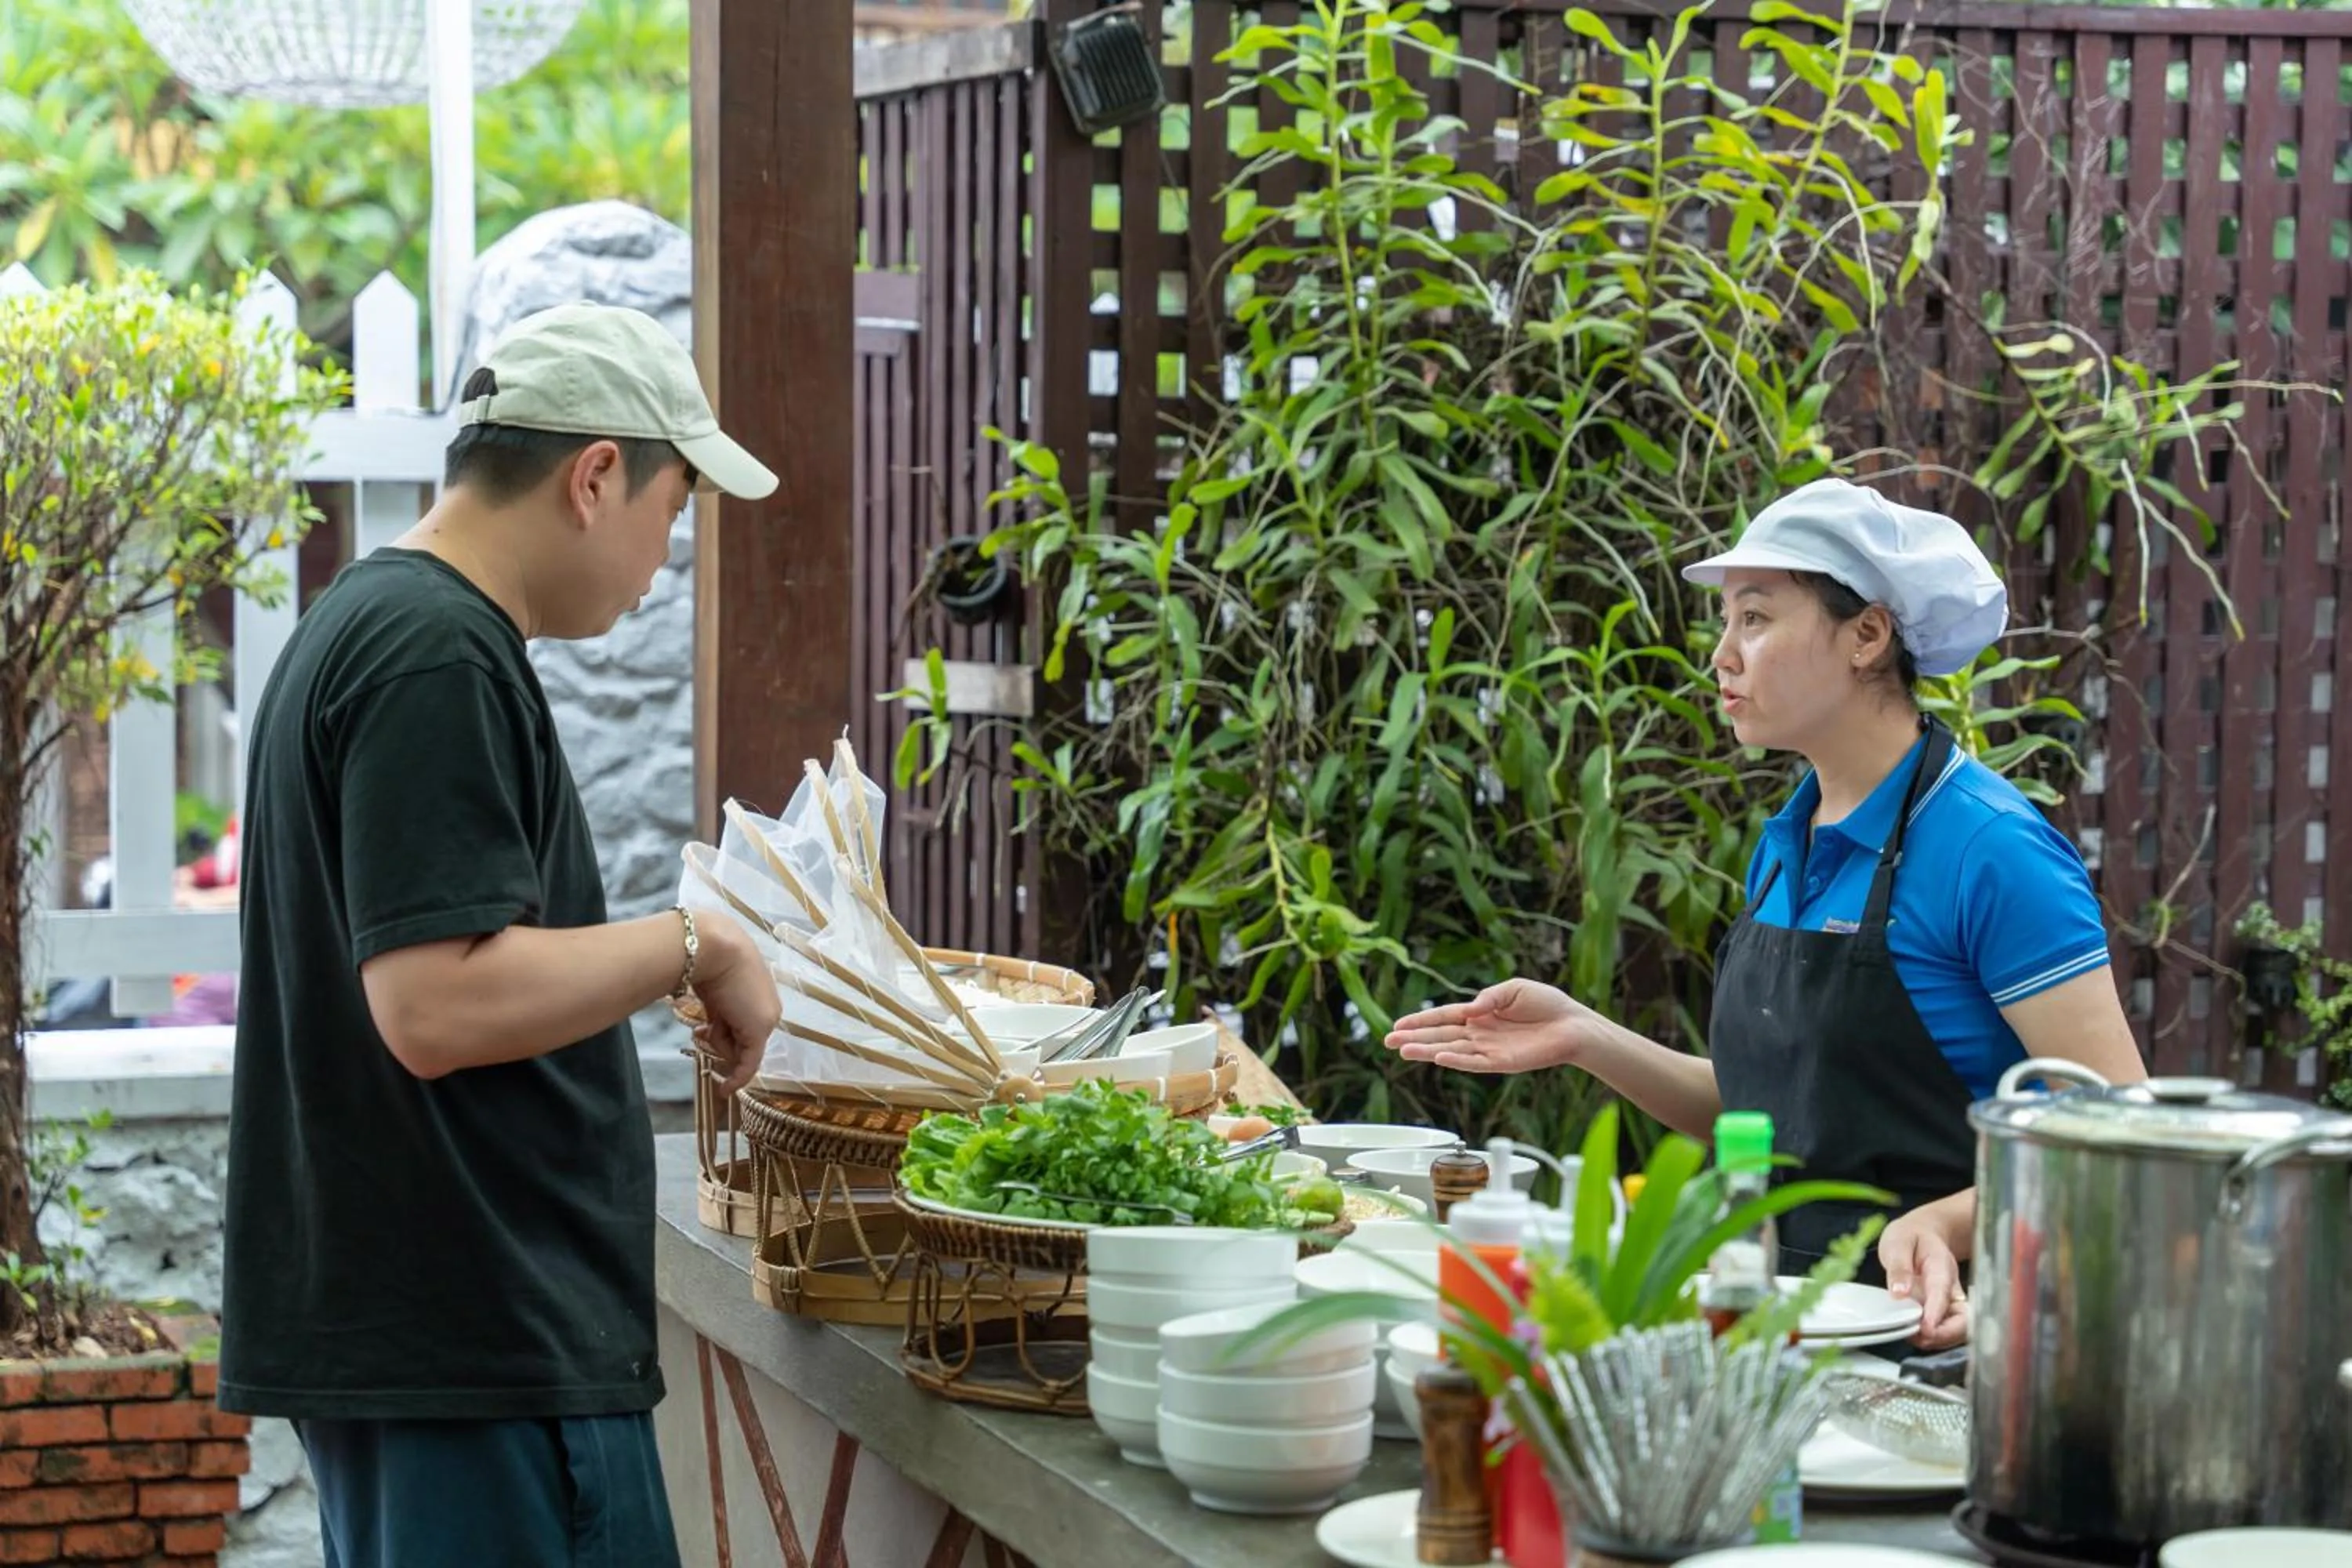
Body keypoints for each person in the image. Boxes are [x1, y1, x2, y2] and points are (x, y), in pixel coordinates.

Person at [220, 303, 785, 1568]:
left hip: (438, 1346)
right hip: (480, 1348)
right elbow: (433, 1005)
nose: (663, 562)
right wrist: (698, 946)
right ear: (596, 478)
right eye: (674, 510)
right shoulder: (435, 654)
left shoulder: (377, 623)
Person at [1385, 477, 2147, 1350]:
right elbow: (1774, 1110)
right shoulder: (1790, 836)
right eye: (1726, 622)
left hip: (1952, 1347)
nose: (1723, 654)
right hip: (1777, 1338)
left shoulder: (1991, 851)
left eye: (1756, 617)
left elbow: (2120, 1137)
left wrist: (1948, 1222)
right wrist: (1584, 1036)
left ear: (1867, 635)